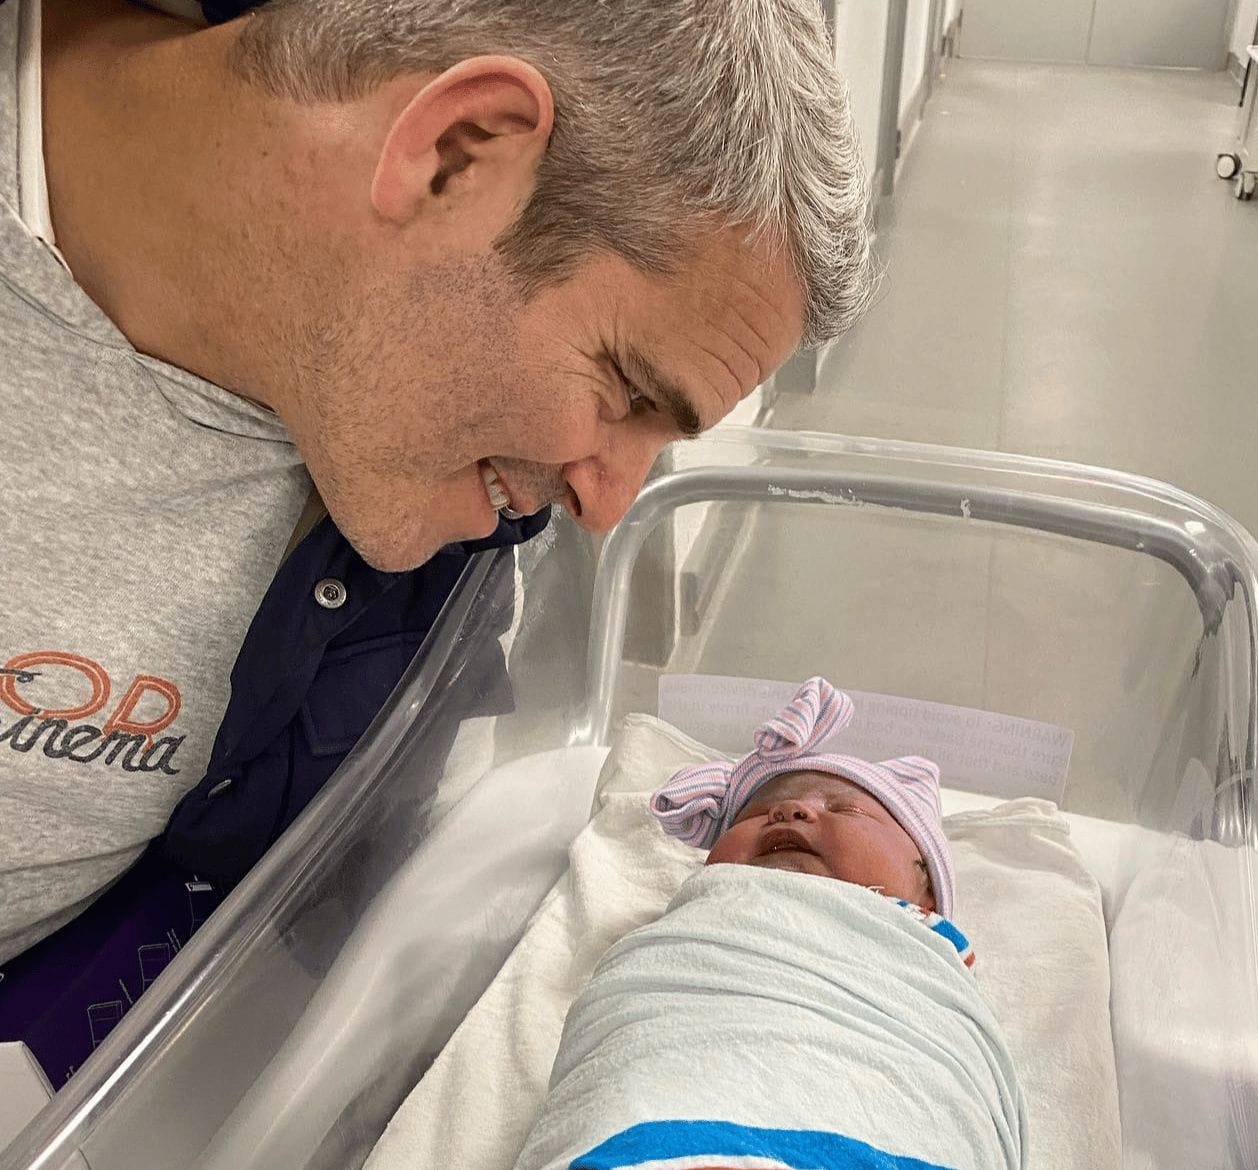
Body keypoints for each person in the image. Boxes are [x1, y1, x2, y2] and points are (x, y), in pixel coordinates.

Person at [0, 0, 875, 1084]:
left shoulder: (424, 467)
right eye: (627, 389)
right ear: (458, 154)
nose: (607, 507)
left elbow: (390, 862)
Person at [511, 678, 1027, 1170]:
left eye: (845, 809)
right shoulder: (695, 926)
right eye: (752, 816)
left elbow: (949, 1055)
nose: (792, 811)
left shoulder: (922, 946)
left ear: (926, 887)